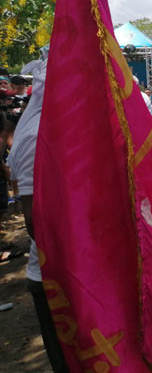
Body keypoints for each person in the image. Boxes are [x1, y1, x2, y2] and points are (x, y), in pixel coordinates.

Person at [6, 53, 69, 372]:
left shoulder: (67, 128)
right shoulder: (35, 138)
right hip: (55, 274)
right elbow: (36, 222)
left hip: (80, 265)